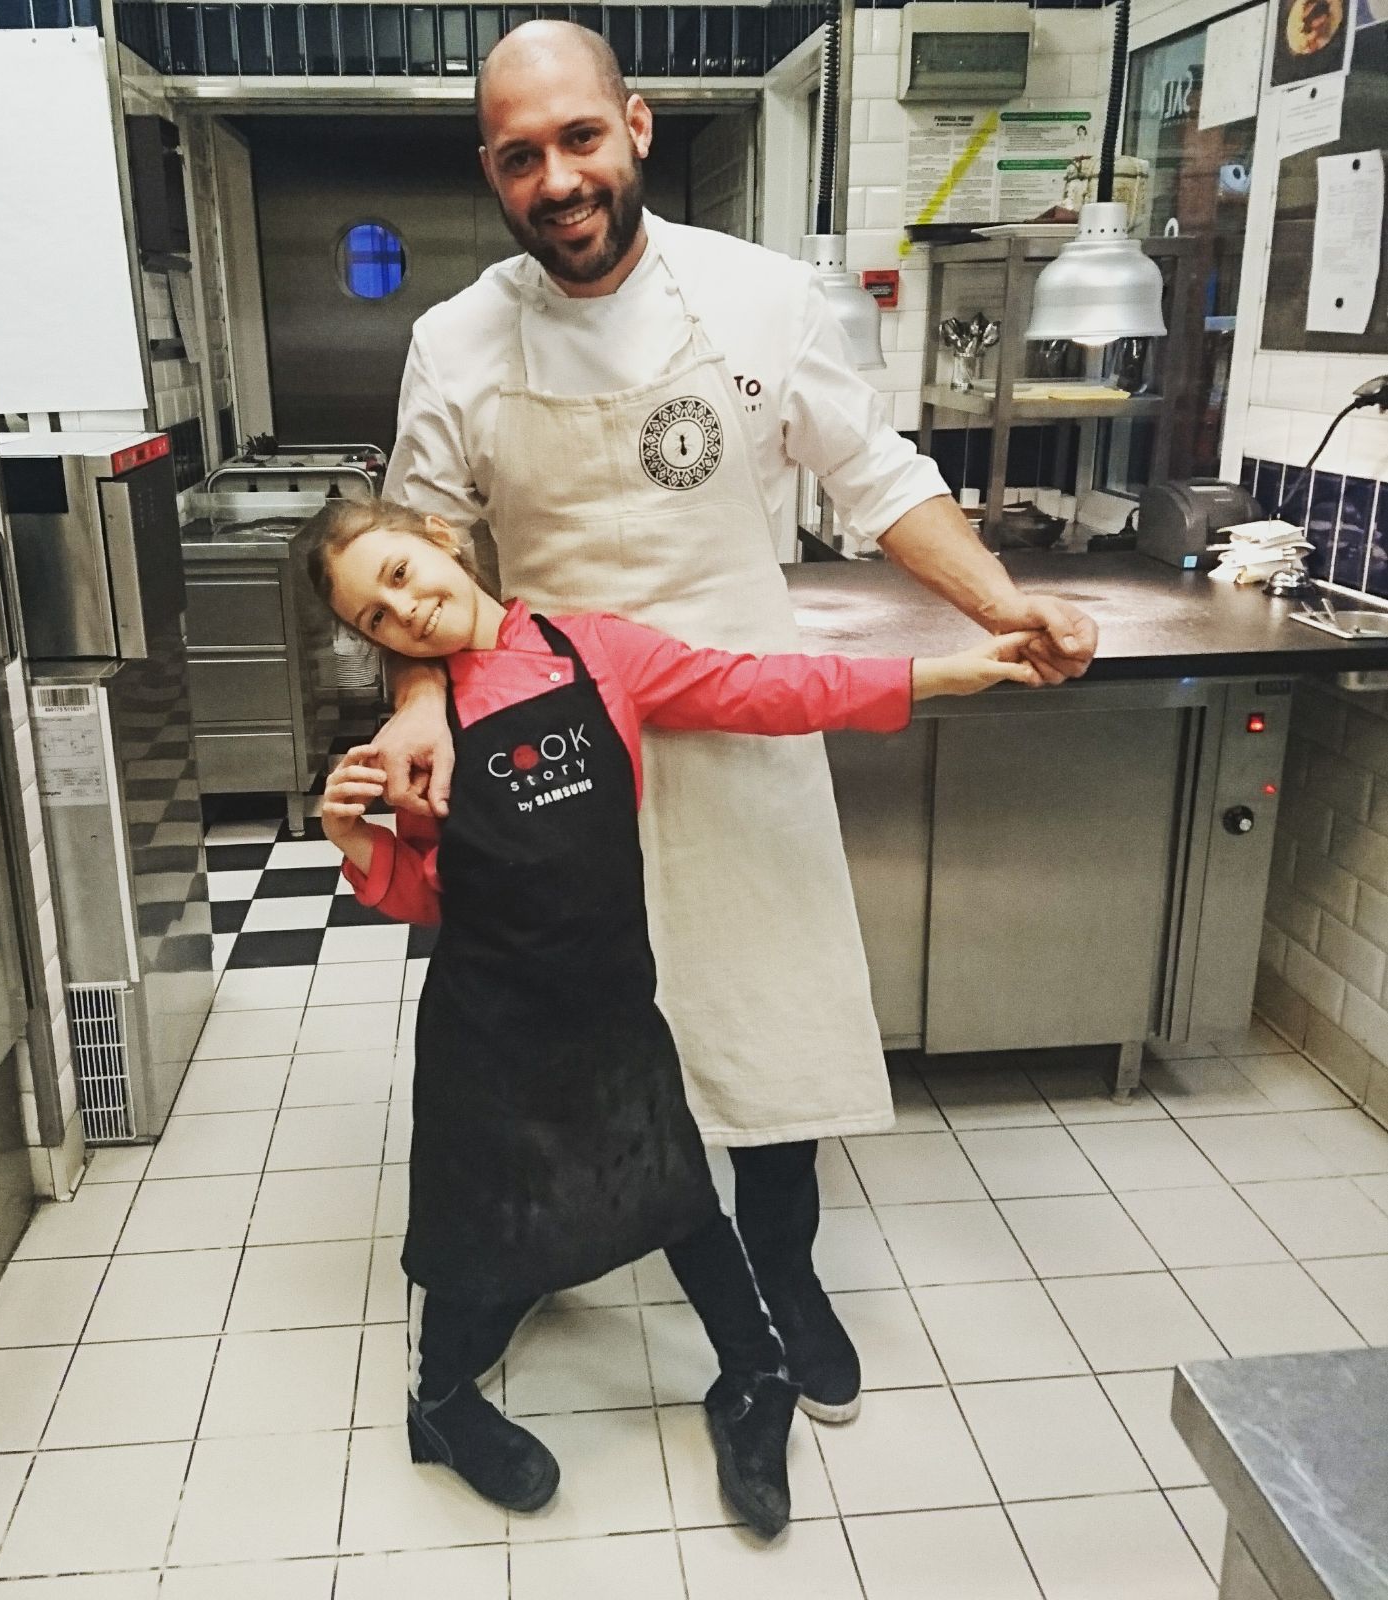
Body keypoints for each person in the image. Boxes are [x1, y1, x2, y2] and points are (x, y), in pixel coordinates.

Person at [375, 20, 1099, 1423]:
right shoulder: (452, 342)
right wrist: (419, 707)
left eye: (579, 138)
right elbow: (421, 558)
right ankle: (535, 1249)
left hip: (743, 719)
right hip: (548, 748)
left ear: (635, 125)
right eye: (519, 157)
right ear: (490, 172)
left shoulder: (761, 299)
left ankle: (783, 1274)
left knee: (770, 1011)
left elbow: (877, 479)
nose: (556, 179)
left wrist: (1001, 607)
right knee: (546, 1020)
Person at [305, 496, 1039, 1530]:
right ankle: (440, 1403)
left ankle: (753, 1376)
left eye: (397, 574)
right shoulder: (415, 741)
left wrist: (938, 674)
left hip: (611, 1001)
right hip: (488, 1024)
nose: (404, 610)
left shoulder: (594, 650)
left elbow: (763, 687)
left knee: (677, 1191)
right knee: (480, 1214)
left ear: (441, 539)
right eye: (374, 618)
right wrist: (358, 844)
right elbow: (435, 893)